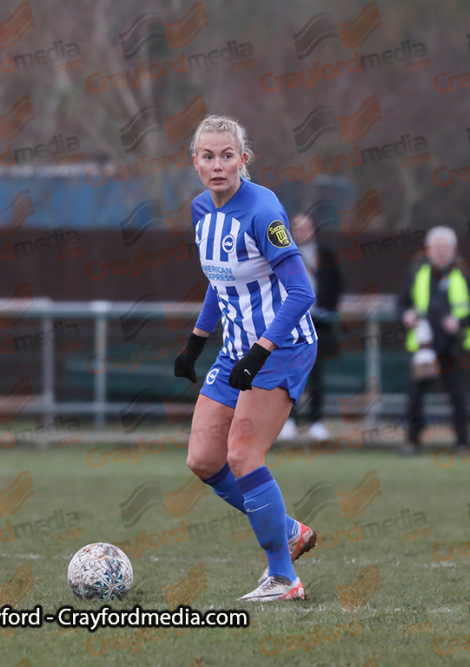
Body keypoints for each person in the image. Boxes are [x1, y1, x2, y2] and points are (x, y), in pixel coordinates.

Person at [173, 115, 318, 602]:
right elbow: (220, 282)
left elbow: (301, 293)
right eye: (208, 156)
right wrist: (197, 339)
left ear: (243, 160)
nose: (218, 165)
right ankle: (290, 530)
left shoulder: (263, 210)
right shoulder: (200, 210)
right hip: (237, 349)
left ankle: (283, 577)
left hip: (283, 347)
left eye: (227, 155)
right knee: (204, 459)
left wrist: (261, 352)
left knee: (242, 455)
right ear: (195, 162)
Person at [397, 227, 470, 454]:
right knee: (416, 396)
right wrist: (406, 315)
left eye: (444, 247)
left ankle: (462, 442)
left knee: (458, 396)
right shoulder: (417, 273)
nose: (439, 252)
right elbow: (400, 304)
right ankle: (412, 440)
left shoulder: (466, 275)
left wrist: (461, 322)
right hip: (424, 346)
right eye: (435, 247)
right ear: (428, 250)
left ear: (453, 249)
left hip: (454, 346)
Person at [279, 212, 343, 441]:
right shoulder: (282, 252)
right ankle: (287, 421)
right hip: (290, 322)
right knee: (287, 373)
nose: (302, 231)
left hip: (318, 323)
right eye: (297, 227)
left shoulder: (325, 253)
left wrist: (327, 308)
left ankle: (316, 421)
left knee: (316, 374)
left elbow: (336, 284)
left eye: (306, 226)